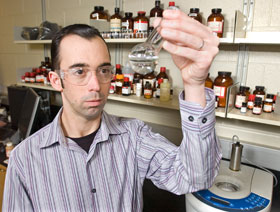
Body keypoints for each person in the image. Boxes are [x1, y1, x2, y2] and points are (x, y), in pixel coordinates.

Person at [3, 10, 221, 211]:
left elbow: (194, 178)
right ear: (56, 80)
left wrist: (194, 83)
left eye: (103, 70)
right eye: (80, 71)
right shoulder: (25, 159)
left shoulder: (133, 137)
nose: (96, 85)